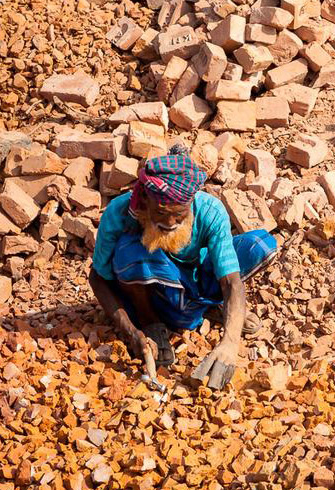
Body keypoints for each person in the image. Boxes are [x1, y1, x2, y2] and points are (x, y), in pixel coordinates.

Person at [88, 145, 277, 390]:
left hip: (197, 276)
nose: (169, 223)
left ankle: (213, 307)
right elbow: (98, 277)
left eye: (179, 215)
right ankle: (153, 322)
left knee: (259, 245)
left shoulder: (210, 210)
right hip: (155, 284)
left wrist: (230, 343)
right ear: (145, 197)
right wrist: (132, 332)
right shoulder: (119, 213)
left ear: (191, 201)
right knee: (129, 252)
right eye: (161, 212)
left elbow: (231, 281)